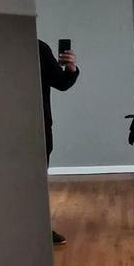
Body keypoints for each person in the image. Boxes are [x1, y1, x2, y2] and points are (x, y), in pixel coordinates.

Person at [39, 40, 80, 244]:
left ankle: (40, 231)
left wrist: (71, 67)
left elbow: (61, 82)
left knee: (37, 183)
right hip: (3, 128)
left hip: (38, 127)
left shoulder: (38, 48)